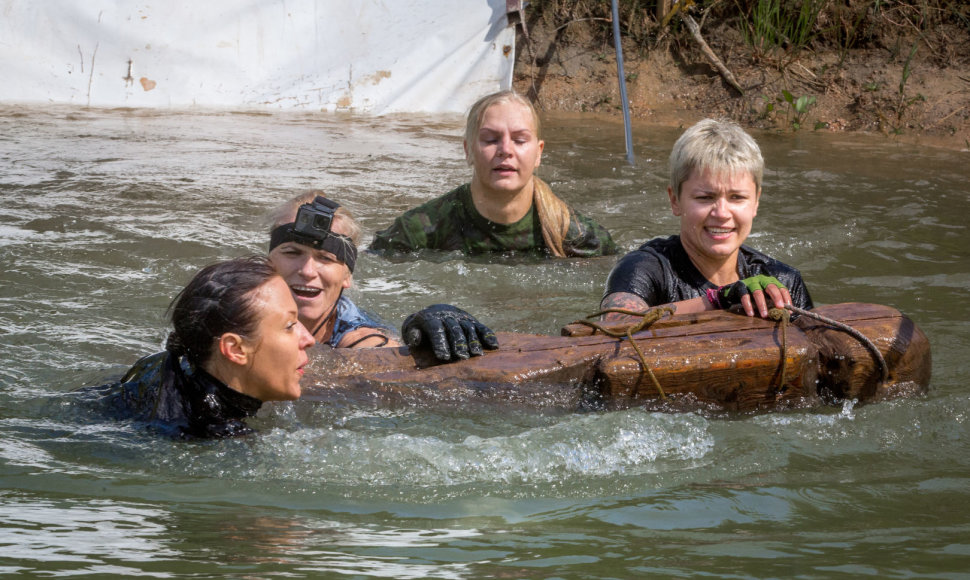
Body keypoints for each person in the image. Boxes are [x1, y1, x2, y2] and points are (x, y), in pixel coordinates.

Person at [601, 118, 813, 322]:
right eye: (705, 197)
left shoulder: (783, 281)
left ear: (756, 202)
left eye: (737, 197)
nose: (721, 213)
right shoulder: (643, 269)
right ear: (675, 200)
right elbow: (615, 324)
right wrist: (719, 300)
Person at [79, 256, 316, 439]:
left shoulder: (165, 365)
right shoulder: (212, 439)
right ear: (235, 350)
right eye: (289, 325)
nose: (308, 338)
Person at [369, 90, 617, 257]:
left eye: (520, 140)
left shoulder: (577, 237)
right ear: (468, 151)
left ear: (538, 153)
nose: (505, 150)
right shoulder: (417, 232)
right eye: (490, 140)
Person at [268, 192, 499, 361]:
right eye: (291, 253)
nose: (307, 270)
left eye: (325, 258)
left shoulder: (366, 344)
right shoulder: (239, 307)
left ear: (346, 276)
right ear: (268, 263)